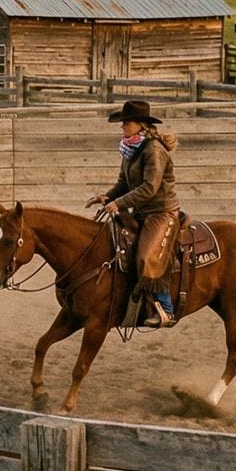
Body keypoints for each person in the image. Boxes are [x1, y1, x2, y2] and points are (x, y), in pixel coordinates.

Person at [85, 99, 181, 328]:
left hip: (161, 212)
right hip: (141, 211)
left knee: (147, 256)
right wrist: (108, 197)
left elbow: (150, 188)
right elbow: (123, 182)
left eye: (126, 123)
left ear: (141, 125)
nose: (123, 127)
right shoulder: (130, 149)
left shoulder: (154, 150)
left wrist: (119, 203)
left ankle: (166, 308)